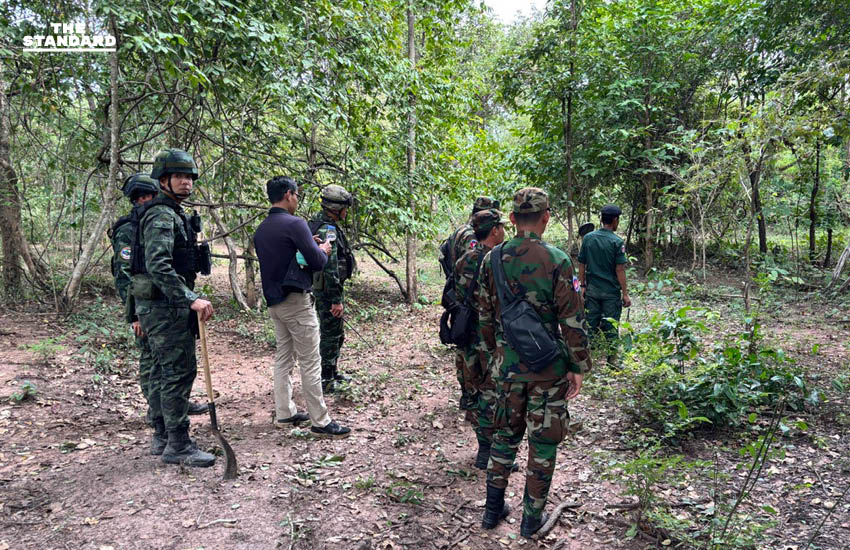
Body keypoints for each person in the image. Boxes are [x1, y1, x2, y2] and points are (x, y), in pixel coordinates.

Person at [476, 187, 591, 538]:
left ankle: (492, 511)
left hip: (506, 367)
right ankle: (531, 519)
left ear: (511, 220)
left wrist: (494, 357)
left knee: (504, 439)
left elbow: (483, 316)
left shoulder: (491, 259)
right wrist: (577, 366)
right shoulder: (557, 260)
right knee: (542, 443)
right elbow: (572, 319)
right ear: (546, 217)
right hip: (547, 370)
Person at [131, 149, 216, 467]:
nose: (186, 182)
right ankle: (177, 444)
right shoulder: (161, 215)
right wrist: (188, 297)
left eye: (189, 177)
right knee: (177, 372)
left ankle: (166, 436)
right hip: (165, 306)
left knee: (167, 371)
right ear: (163, 180)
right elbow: (157, 265)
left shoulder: (171, 212)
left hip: (162, 305)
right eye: (179, 177)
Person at [111, 173, 209, 437]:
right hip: (151, 307)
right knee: (156, 366)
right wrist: (134, 316)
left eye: (149, 196)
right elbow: (127, 277)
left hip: (168, 303)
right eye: (140, 198)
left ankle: (167, 417)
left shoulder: (162, 217)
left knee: (169, 368)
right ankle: (161, 422)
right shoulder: (130, 229)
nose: (146, 201)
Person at [253, 176, 351, 439]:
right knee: (310, 360)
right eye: (296, 195)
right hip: (296, 302)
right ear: (288, 194)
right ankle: (321, 420)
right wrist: (325, 249)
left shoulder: (262, 228)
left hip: (275, 303)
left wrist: (310, 243)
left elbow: (286, 257)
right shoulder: (295, 224)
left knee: (284, 357)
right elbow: (317, 262)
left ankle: (284, 412)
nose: (297, 200)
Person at [453, 209, 508, 470]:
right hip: (487, 338)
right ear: (494, 230)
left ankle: (483, 449)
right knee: (491, 394)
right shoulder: (497, 261)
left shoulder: (464, 258)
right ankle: (489, 451)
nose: (504, 231)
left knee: (474, 392)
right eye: (501, 227)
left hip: (466, 335)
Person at [439, 196, 500, 412]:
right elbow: (474, 264)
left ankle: (467, 393)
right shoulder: (472, 236)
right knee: (473, 350)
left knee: (462, 346)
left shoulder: (458, 231)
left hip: (459, 298)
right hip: (471, 300)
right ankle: (473, 394)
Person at [308, 185, 356, 393]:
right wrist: (336, 299)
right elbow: (331, 267)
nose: (347, 212)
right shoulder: (327, 229)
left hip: (326, 289)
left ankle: (332, 370)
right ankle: (326, 378)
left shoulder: (323, 224)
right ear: (335, 208)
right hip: (328, 291)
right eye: (345, 208)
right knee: (330, 334)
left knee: (336, 332)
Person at [577, 204, 630, 366]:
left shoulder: (588, 238)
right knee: (611, 325)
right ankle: (613, 360)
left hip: (592, 291)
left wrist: (582, 285)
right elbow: (620, 269)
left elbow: (581, 264)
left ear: (601, 219)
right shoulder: (617, 242)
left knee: (590, 325)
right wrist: (625, 294)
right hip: (610, 293)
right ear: (615, 220)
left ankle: (585, 360)